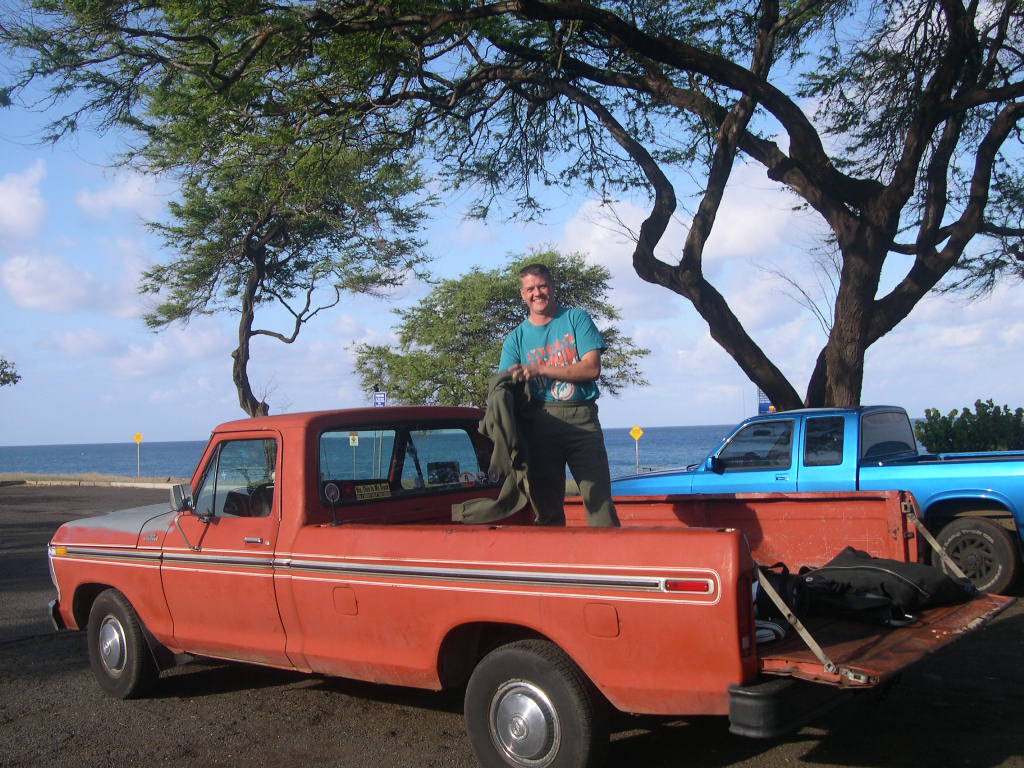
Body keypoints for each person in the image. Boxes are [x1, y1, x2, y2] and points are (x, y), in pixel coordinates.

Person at [499, 263, 620, 527]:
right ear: (522, 294)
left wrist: (540, 368)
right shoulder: (515, 340)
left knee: (599, 501)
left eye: (542, 286)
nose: (537, 293)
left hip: (582, 419)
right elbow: (504, 388)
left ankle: (611, 562)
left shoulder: (576, 319)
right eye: (530, 289)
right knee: (546, 507)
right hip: (539, 423)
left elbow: (592, 368)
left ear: (552, 288)